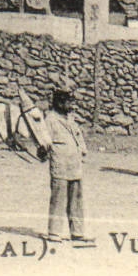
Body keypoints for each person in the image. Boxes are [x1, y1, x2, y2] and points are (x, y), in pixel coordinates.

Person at [44, 89, 91, 243]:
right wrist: (43, 153)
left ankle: (77, 232)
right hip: (60, 164)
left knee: (76, 200)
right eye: (68, 102)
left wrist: (82, 150)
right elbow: (44, 141)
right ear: (59, 103)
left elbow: (78, 136)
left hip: (75, 165)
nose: (71, 105)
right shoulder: (50, 120)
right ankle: (54, 232)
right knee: (58, 199)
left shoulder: (71, 118)